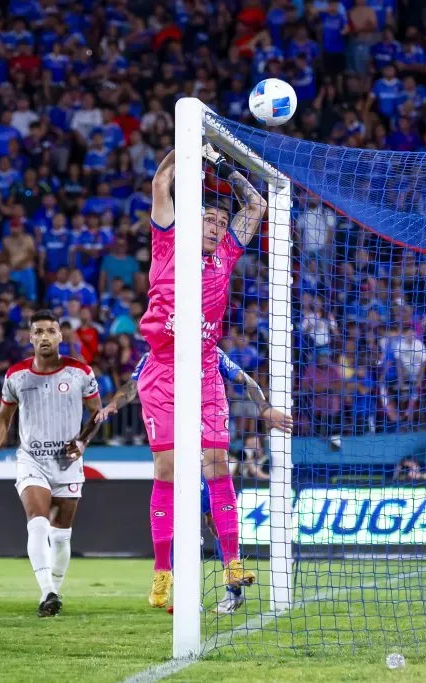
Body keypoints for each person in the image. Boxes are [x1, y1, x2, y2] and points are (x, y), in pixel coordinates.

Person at [136, 145, 266, 609]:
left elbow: (257, 206)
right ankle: (162, 574)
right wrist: (182, 149)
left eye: (217, 221)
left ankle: (232, 562)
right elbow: (159, 186)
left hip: (206, 368)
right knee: (168, 470)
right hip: (164, 371)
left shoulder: (226, 256)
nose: (213, 226)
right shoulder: (168, 243)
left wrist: (228, 169)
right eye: (207, 219)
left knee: (217, 464)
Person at [96, 348, 292, 613]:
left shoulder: (211, 351)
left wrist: (264, 408)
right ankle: (189, 598)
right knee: (180, 525)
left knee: (211, 522)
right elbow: (131, 386)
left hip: (205, 453)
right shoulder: (155, 354)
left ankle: (232, 592)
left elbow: (246, 380)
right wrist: (113, 405)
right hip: (178, 456)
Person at [0, 310, 102, 618]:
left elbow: (97, 413)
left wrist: (83, 441)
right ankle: (47, 591)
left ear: (61, 336)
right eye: (39, 331)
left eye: (51, 330)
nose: (45, 336)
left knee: (61, 535)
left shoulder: (80, 373)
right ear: (30, 337)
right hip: (31, 460)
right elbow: (3, 417)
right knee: (37, 521)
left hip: (68, 463)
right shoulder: (16, 376)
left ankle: (55, 591)